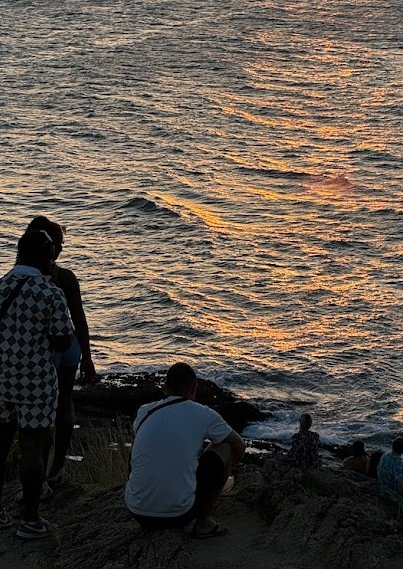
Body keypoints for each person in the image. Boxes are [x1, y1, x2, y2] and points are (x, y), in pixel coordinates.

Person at [0, 230, 72, 540]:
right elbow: (64, 340)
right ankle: (29, 520)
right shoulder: (50, 293)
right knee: (33, 445)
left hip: (1, 378)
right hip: (37, 379)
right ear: (47, 256)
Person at [125, 362, 245, 539]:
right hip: (178, 515)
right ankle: (203, 524)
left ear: (165, 388)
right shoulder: (204, 413)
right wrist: (221, 476)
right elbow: (239, 444)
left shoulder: (145, 411)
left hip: (137, 512)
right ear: (194, 389)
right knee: (225, 446)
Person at [26, 215, 97, 483]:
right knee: (64, 402)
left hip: (43, 348)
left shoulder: (27, 277)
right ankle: (57, 468)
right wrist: (87, 358)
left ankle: (41, 467)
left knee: (42, 407)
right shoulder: (65, 278)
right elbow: (79, 319)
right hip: (69, 344)